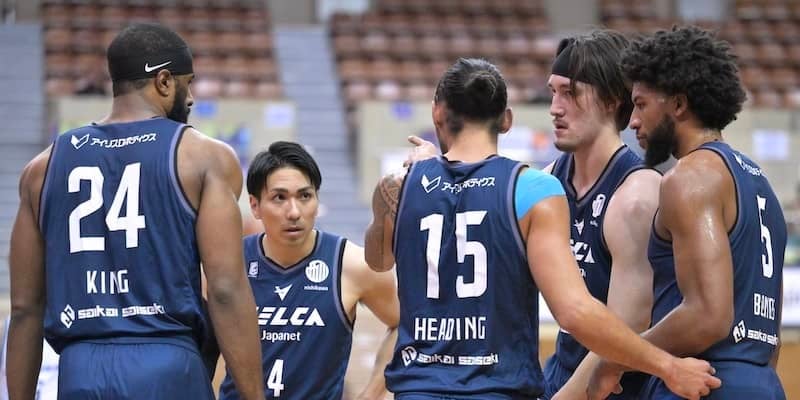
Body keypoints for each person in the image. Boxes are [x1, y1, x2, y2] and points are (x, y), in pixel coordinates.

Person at [364, 57, 720, 400]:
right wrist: (668, 366)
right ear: (506, 120)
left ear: (436, 113)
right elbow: (574, 312)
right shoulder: (532, 188)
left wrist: (417, 178)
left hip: (416, 388)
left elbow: (378, 261)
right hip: (495, 389)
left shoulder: (400, 185)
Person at [7, 23, 263, 399]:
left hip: (80, 370)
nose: (191, 97)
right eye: (187, 83)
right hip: (167, 365)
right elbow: (225, 290)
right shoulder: (203, 157)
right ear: (164, 81)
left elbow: (25, 309)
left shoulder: (40, 170)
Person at [589, 26, 786, 399]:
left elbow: (707, 316)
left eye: (641, 104)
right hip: (761, 380)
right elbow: (769, 334)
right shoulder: (760, 184)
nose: (633, 121)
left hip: (704, 380)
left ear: (678, 105)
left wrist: (617, 359)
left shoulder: (689, 178)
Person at [218, 141, 400, 400]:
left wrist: (371, 395)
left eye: (304, 196)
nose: (294, 212)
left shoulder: (351, 264)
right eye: (279, 198)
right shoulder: (229, 262)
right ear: (255, 206)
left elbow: (405, 324)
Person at [542, 30, 661, 399]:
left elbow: (626, 329)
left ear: (611, 100)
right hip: (562, 371)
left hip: (618, 386)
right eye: (553, 92)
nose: (555, 108)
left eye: (570, 93)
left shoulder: (638, 194)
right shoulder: (546, 182)